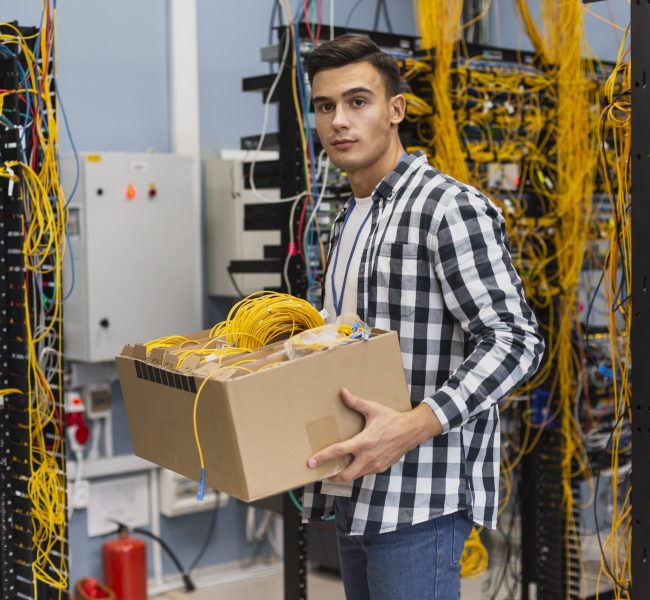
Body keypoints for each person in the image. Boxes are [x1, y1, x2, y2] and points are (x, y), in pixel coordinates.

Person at [301, 34, 545, 600]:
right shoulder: (348, 219)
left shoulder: (446, 207)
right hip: (353, 485)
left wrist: (410, 427)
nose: (339, 120)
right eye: (325, 106)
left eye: (358, 101)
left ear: (396, 110)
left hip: (419, 495)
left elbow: (515, 342)